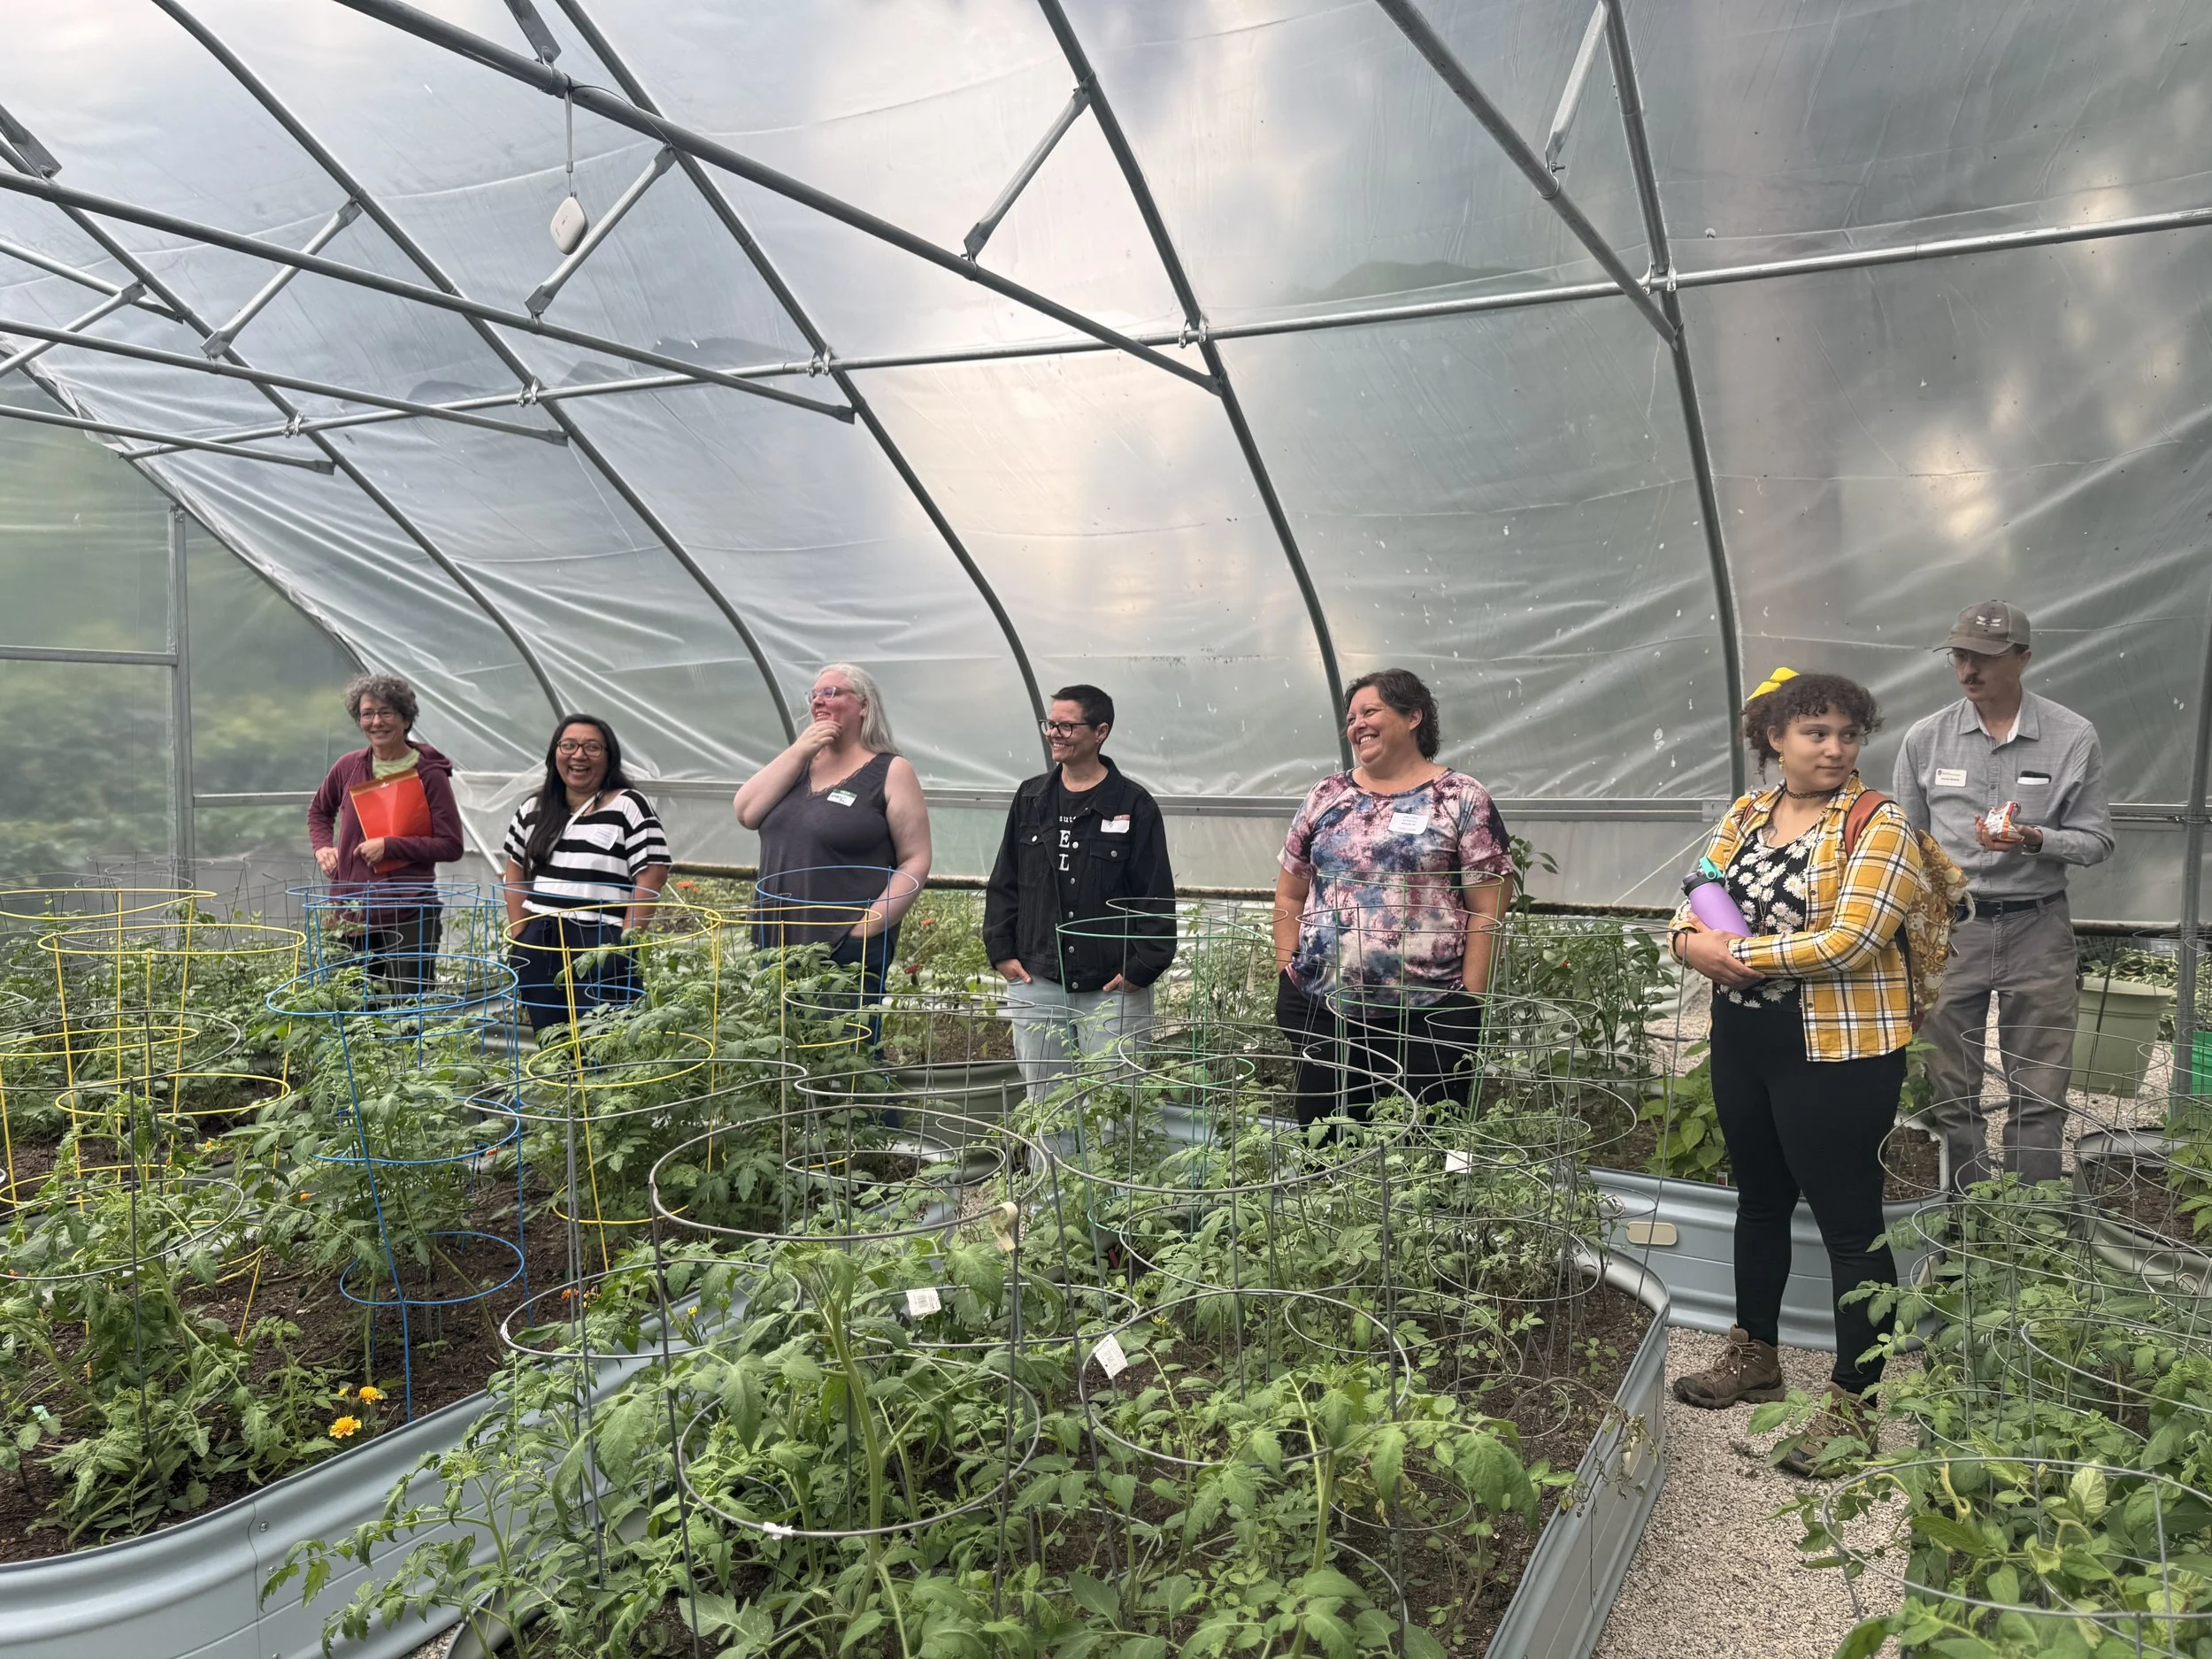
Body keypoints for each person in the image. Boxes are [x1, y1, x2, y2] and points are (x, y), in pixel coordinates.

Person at [1668, 670, 1924, 1477]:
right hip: (1746, 1037)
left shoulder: (1880, 823)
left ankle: (1855, 1403)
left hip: (1839, 1048)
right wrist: (1690, 943)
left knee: (1850, 1223)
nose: (1836, 748)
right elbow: (1693, 895)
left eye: (1849, 733)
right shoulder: (1747, 814)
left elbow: (1856, 935)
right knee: (1760, 1200)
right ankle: (1755, 1354)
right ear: (1774, 738)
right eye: (1817, 732)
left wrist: (1734, 953)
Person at [1893, 602, 2113, 1188]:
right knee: (1949, 1084)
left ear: (2023, 658)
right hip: (1953, 930)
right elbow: (1904, 846)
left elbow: (2096, 841)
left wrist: (2035, 838)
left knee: (2040, 1084)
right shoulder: (1926, 739)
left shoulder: (2072, 736)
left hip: (2037, 927)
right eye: (1960, 655)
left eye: (1985, 658)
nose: (1968, 670)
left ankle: (2030, 1221)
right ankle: (1965, 1214)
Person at [1271, 669, 1513, 1125]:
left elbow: (1489, 909)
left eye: (1371, 711)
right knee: (1324, 1153)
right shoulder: (1328, 794)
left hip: (1428, 1019)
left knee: (1421, 1163)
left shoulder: (1459, 798)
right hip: (1325, 1012)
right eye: (1351, 717)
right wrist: (1288, 972)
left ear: (1413, 716)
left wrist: (1471, 1005)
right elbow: (1289, 890)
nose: (1357, 724)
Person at [984, 686, 1176, 1100]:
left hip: (1111, 986)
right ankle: (1049, 1169)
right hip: (1038, 978)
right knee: (1046, 1107)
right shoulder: (1031, 797)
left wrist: (1141, 969)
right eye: (1050, 724)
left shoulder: (1134, 805)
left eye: (1066, 725)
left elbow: (1154, 894)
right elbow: (1006, 880)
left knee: (1117, 1111)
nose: (1054, 733)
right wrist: (1002, 951)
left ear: (1100, 731)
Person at [734, 664, 932, 1000]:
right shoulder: (797, 765)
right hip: (777, 943)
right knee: (781, 1046)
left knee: (844, 1047)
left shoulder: (891, 771)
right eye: (814, 696)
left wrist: (866, 928)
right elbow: (746, 812)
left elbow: (916, 859)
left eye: (832, 692)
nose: (818, 703)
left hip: (844, 945)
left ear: (864, 706)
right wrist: (799, 750)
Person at [500, 714, 672, 1033]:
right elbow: (515, 869)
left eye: (592, 747)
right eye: (569, 746)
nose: (579, 756)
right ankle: (558, 1083)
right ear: (555, 753)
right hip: (541, 939)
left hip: (601, 941)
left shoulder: (628, 806)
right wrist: (521, 934)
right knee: (551, 1038)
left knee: (605, 1039)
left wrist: (625, 944)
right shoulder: (533, 808)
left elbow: (653, 872)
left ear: (609, 757)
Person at [306, 673, 465, 998]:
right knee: (353, 1011)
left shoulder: (428, 774)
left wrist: (390, 847)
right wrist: (323, 847)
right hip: (350, 913)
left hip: (408, 914)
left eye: (386, 712)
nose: (376, 722)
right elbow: (319, 811)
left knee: (408, 1013)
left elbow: (451, 845)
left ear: (406, 719)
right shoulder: (349, 766)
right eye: (367, 714)